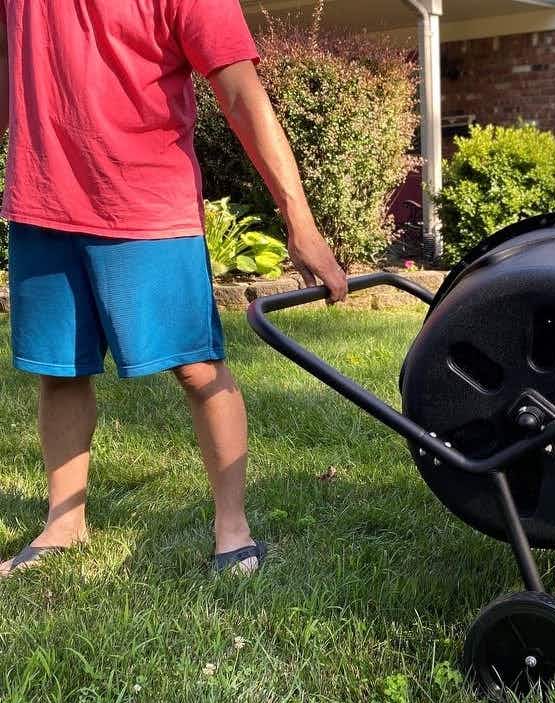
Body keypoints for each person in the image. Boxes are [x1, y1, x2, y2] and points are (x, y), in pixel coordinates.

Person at [0, 0, 348, 577]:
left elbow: (241, 93)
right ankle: (64, 524)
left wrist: (300, 220)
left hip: (145, 205)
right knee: (59, 370)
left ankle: (232, 528)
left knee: (198, 367)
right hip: (43, 199)